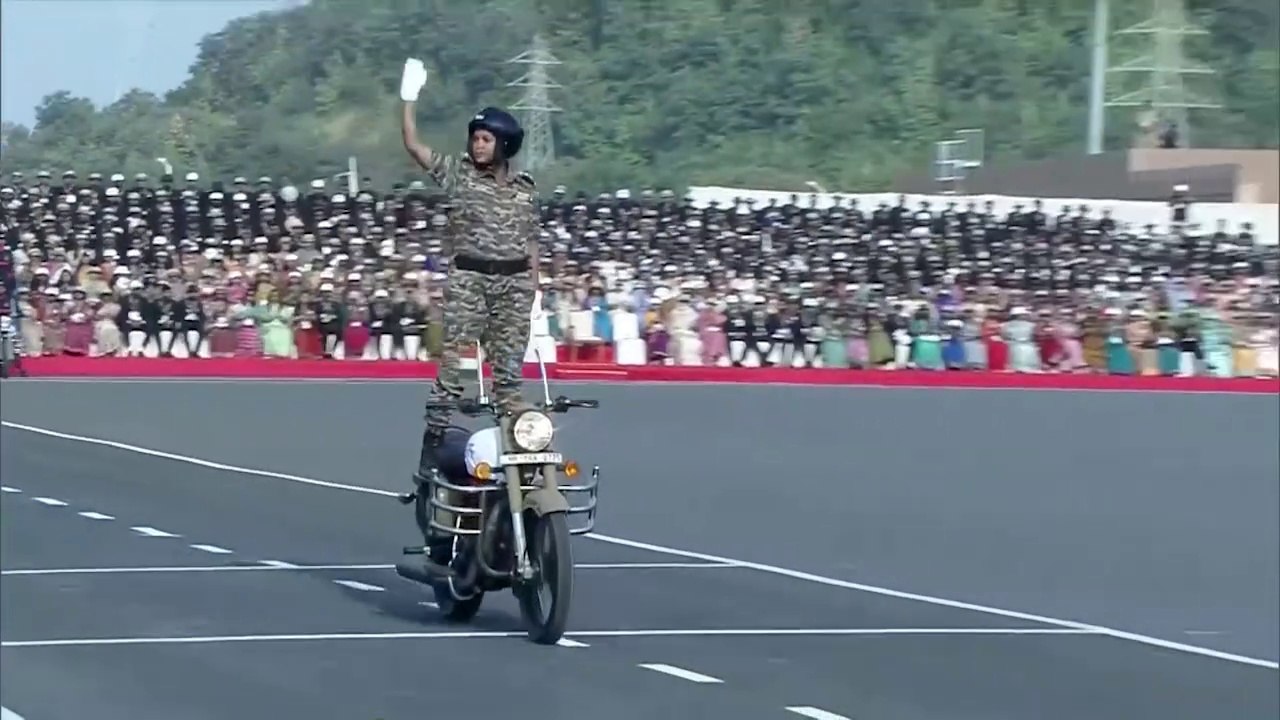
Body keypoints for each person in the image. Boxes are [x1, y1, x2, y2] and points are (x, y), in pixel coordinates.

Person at [399, 57, 540, 542]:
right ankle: (429, 459)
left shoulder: (525, 189)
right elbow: (414, 147)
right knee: (453, 379)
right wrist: (408, 99)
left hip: (514, 286)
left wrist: (534, 290)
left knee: (509, 384)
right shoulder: (459, 176)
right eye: (475, 138)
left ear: (504, 146)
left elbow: (531, 243)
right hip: (469, 283)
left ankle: (514, 477)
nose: (478, 144)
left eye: (486, 139)